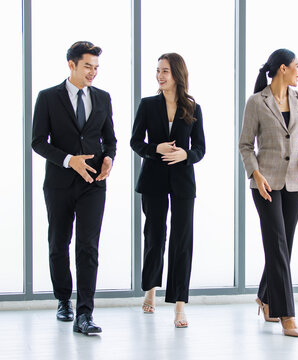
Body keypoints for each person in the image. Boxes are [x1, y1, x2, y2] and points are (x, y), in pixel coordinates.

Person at [32, 41, 117, 335]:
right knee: (58, 243)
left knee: (88, 247)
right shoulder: (47, 98)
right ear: (71, 65)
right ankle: (63, 300)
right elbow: (38, 141)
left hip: (93, 184)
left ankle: (85, 314)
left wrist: (108, 159)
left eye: (96, 67)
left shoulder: (103, 98)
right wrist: (69, 161)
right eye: (87, 66)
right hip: (58, 184)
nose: (93, 72)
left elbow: (110, 140)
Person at [239, 49, 298, 337]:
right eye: (297, 66)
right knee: (276, 244)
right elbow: (245, 145)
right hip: (265, 183)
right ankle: (287, 314)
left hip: (296, 181)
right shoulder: (257, 102)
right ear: (282, 68)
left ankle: (266, 297)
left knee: (284, 245)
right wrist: (255, 174)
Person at [130, 53, 205, 328]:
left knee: (182, 241)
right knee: (155, 235)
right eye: (158, 70)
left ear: (177, 74)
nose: (160, 75)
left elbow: (200, 148)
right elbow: (135, 141)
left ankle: (179, 306)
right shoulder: (148, 105)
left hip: (183, 181)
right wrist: (155, 149)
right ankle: (150, 288)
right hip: (153, 180)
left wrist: (185, 155)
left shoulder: (192, 108)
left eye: (165, 71)